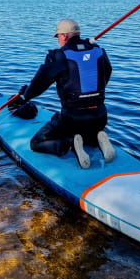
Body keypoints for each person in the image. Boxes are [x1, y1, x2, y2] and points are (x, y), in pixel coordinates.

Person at [10, 19, 115, 169]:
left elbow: (40, 83)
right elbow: (107, 72)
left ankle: (69, 144)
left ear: (64, 36)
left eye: (58, 36)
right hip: (100, 117)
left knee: (37, 143)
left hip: (72, 119)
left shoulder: (58, 56)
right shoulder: (98, 50)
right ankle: (97, 139)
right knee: (87, 135)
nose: (58, 40)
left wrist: (25, 94)